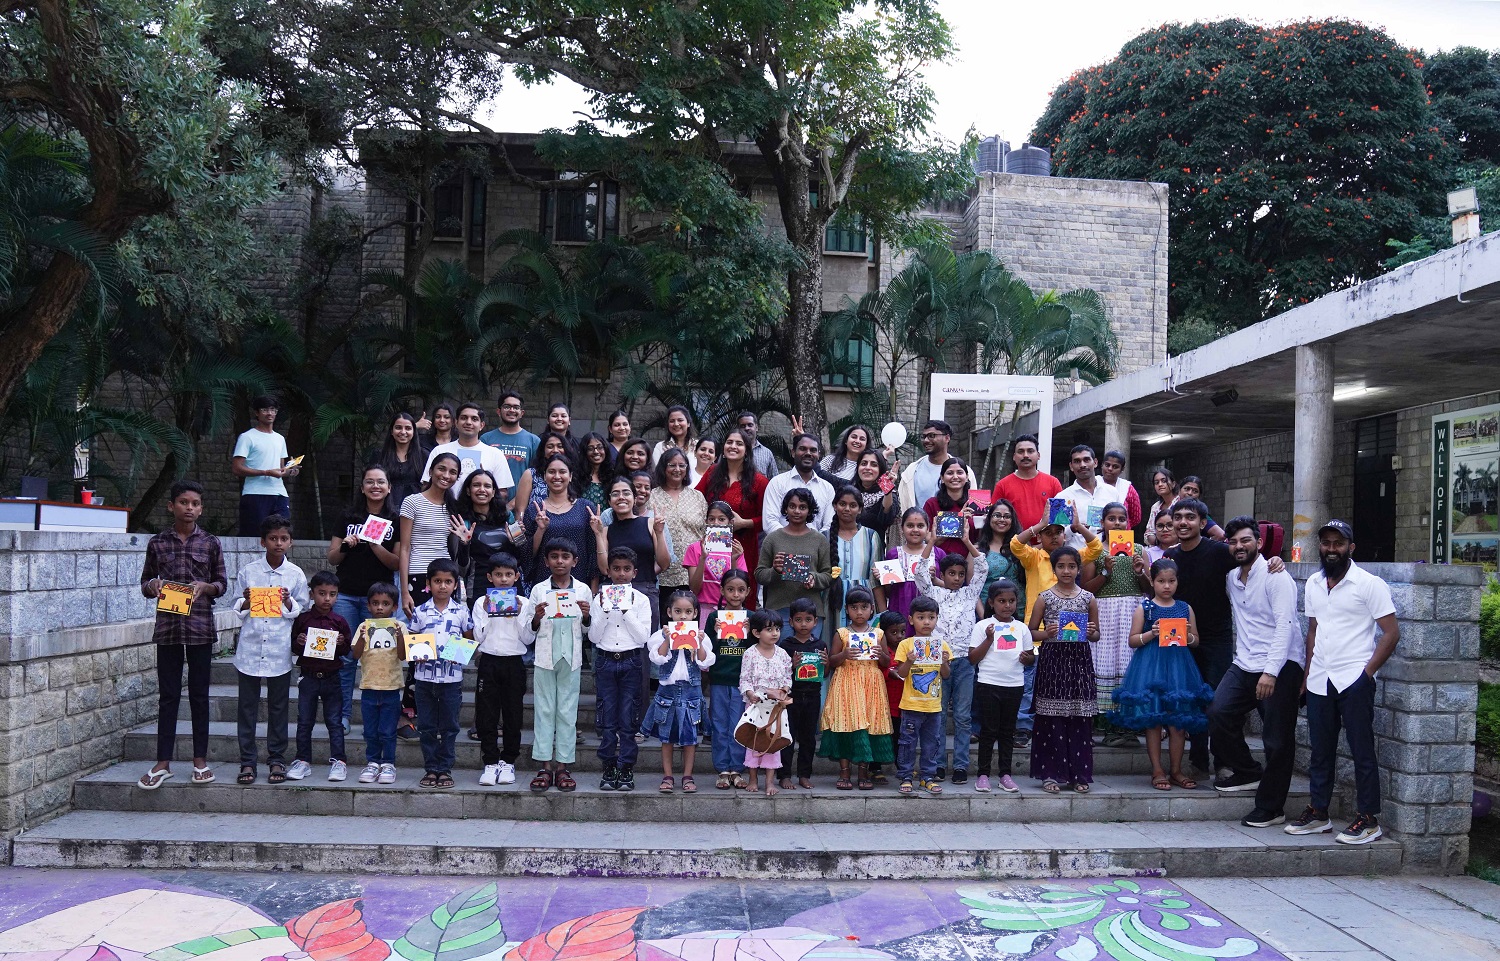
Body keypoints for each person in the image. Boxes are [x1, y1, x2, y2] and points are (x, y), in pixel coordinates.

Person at [1287, 520, 1399, 845]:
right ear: (1320, 547)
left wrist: (1366, 675)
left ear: (1351, 547)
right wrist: (1307, 676)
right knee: (1321, 751)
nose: (1331, 549)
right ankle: (1319, 812)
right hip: (1321, 678)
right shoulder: (1313, 583)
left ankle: (1368, 820)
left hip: (1354, 679)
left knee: (1362, 751)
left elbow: (1391, 634)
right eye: (1326, 543)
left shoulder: (1369, 584)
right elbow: (1313, 631)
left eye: (1338, 543)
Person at [1212, 516, 1306, 827]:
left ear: (1259, 543)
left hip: (1281, 666)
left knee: (1277, 740)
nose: (1239, 546)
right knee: (1218, 712)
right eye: (1234, 541)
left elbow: (1286, 626)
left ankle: (1272, 807)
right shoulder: (1231, 579)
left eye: (1245, 540)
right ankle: (1248, 771)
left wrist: (1271, 672)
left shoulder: (1277, 577)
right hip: (1245, 663)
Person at [136, 480, 226, 790]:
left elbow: (222, 584)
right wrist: (153, 587)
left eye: (195, 503)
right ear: (171, 506)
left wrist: (207, 588)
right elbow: (146, 581)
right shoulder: (158, 543)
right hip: (168, 628)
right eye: (184, 502)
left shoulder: (211, 543)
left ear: (201, 508)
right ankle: (163, 762)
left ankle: (200, 760)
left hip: (200, 627)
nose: (190, 508)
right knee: (168, 696)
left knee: (199, 696)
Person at [1165, 496, 1260, 776]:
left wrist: (1277, 559)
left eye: (1190, 517)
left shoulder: (1220, 552)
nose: (1183, 522)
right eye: (1178, 517)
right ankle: (1197, 761)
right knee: (1191, 698)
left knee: (1217, 701)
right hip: (1181, 638)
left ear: (1203, 523)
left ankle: (1223, 761)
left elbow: (1250, 559)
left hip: (1217, 639)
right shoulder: (1171, 557)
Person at [1108, 558, 1213, 791]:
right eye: (1161, 581)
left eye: (1171, 581)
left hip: (1179, 667)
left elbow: (1196, 642)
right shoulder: (1144, 607)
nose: (1167, 586)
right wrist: (1151, 633)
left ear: (1177, 582)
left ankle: (1176, 770)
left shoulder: (1185, 608)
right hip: (1150, 667)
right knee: (1153, 721)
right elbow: (1133, 640)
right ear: (1152, 581)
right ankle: (1157, 770)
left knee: (1178, 723)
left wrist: (1187, 634)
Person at [1011, 512, 1103, 750]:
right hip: (1041, 634)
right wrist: (1039, 523)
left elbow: (1095, 547)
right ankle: (1023, 726)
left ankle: (1075, 729)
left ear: (1064, 535)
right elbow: (1015, 544)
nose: (1053, 537)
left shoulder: (1074, 556)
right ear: (1040, 536)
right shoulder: (1034, 557)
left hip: (1072, 643)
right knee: (1031, 683)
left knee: (1069, 686)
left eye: (1057, 532)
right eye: (1047, 533)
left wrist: (1077, 526)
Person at [231, 514, 307, 786]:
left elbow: (301, 609)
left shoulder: (295, 574)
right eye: (273, 538)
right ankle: (247, 761)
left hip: (278, 651)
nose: (278, 543)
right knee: (247, 708)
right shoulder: (249, 572)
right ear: (263, 541)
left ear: (290, 542)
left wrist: (287, 603)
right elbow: (236, 608)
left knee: (278, 707)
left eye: (283, 539)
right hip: (250, 650)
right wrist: (247, 601)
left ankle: (277, 759)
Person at [328, 465, 401, 732]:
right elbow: (332, 557)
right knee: (347, 658)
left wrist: (374, 544)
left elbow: (395, 563)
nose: (375, 486)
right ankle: (344, 716)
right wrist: (346, 546)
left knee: (382, 655)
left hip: (380, 601)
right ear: (362, 487)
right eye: (369, 481)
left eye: (381, 481)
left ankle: (384, 717)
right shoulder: (348, 516)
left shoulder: (395, 518)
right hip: (347, 595)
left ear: (389, 487)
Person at [914, 523, 987, 783]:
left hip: (965, 662)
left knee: (964, 716)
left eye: (959, 574)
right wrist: (931, 541)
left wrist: (967, 541)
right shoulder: (933, 594)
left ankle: (960, 766)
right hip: (936, 662)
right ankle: (935, 765)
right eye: (951, 573)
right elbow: (920, 572)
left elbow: (982, 568)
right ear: (942, 574)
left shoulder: (970, 594)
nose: (956, 578)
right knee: (938, 715)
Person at [1026, 545, 1101, 794]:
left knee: (1079, 718)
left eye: (1071, 566)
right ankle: (1050, 774)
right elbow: (1030, 631)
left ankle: (1079, 775)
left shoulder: (1088, 598)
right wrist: (1045, 633)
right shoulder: (1044, 597)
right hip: (1053, 660)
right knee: (1051, 718)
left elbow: (1096, 634)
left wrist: (1091, 632)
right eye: (1061, 566)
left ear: (1078, 568)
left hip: (1079, 660)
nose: (1066, 570)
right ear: (1054, 568)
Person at [1080, 503, 1151, 745]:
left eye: (1122, 519)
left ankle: (1129, 725)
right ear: (1103, 523)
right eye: (1111, 518)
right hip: (1105, 614)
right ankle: (1108, 725)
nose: (1117, 523)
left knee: (1129, 664)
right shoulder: (1096, 550)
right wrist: (1106, 572)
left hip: (1132, 614)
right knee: (1105, 664)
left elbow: (1149, 589)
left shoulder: (1140, 549)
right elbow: (1086, 589)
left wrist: (1140, 572)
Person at [526, 539, 591, 792]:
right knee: (543, 710)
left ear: (575, 561)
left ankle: (563, 766)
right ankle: (544, 766)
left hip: (571, 657)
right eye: (554, 556)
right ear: (546, 561)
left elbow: (589, 630)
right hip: (544, 657)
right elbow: (528, 630)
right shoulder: (539, 591)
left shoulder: (583, 590)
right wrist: (536, 618)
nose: (560, 561)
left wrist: (586, 615)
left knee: (567, 711)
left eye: (566, 556)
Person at [588, 547, 653, 792]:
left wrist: (625, 610)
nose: (621, 574)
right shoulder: (598, 599)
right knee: (607, 715)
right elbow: (594, 637)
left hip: (631, 660)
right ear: (609, 571)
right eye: (616, 569)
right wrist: (606, 610)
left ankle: (626, 766)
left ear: (634, 573)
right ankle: (608, 766)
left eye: (626, 569)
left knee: (629, 716)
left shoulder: (642, 600)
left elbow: (643, 637)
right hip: (605, 660)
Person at [407, 558, 473, 790]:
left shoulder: (462, 611)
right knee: (426, 726)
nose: (442, 586)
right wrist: (416, 651)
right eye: (437, 581)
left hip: (451, 679)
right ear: (428, 583)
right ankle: (431, 768)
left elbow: (469, 639)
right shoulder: (420, 611)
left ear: (455, 585)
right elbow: (411, 643)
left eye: (448, 581)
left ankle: (444, 768)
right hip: (424, 679)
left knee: (450, 726)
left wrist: (461, 650)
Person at [819, 588, 894, 790]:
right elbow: (832, 662)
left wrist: (881, 654)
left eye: (864, 607)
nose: (859, 612)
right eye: (854, 608)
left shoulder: (878, 634)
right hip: (846, 684)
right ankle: (844, 772)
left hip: (871, 684)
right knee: (846, 723)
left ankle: (863, 771)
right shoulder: (841, 634)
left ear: (872, 610)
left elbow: (887, 662)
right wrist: (844, 654)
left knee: (868, 724)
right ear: (847, 610)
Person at [470, 552, 533, 787]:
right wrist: (487, 611)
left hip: (514, 662)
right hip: (489, 661)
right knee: (486, 715)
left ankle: (508, 761)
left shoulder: (524, 603)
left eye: (508, 575)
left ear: (516, 577)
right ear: (490, 577)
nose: (504, 579)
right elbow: (478, 636)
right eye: (498, 575)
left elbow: (527, 638)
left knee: (513, 714)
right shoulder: (480, 602)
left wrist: (516, 613)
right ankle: (490, 762)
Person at [644, 590, 714, 794]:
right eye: (678, 611)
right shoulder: (659, 635)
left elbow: (705, 662)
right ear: (669, 612)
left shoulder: (702, 636)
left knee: (690, 738)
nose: (682, 616)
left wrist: (699, 642)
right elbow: (657, 658)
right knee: (666, 738)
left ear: (695, 614)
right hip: (668, 692)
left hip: (691, 693)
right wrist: (667, 639)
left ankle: (687, 776)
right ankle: (667, 776)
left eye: (688, 611)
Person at [969, 580, 1034, 794]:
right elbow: (972, 659)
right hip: (988, 684)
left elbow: (1029, 658)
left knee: (1007, 732)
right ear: (991, 602)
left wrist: (1027, 659)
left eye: (1012, 601)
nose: (1007, 605)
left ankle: (1005, 774)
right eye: (1002, 601)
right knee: (988, 731)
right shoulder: (982, 626)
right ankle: (983, 775)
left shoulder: (1021, 628)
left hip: (1014, 686)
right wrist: (989, 638)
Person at [288, 571, 353, 782]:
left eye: (332, 594)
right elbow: (294, 647)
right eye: (322, 593)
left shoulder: (339, 621)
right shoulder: (303, 619)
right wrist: (299, 641)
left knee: (335, 722)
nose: (327, 599)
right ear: (312, 594)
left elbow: (345, 652)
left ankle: (339, 761)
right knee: (304, 721)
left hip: (332, 677)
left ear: (337, 596)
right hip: (308, 677)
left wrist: (342, 642)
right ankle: (303, 761)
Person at [696, 428, 768, 607]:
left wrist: (745, 523)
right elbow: (695, 501)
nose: (733, 446)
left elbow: (767, 518)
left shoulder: (759, 481)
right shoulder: (712, 473)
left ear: (747, 450)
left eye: (739, 443)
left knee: (740, 594)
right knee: (712, 594)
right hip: (712, 546)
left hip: (742, 547)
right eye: (729, 442)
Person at [893, 596, 952, 796]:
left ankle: (927, 777)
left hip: (934, 706)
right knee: (907, 743)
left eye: (931, 617)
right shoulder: (906, 644)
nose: (926, 622)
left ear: (937, 619)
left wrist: (944, 661)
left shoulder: (942, 645)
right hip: (911, 705)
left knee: (931, 743)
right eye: (921, 617)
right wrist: (909, 661)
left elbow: (946, 675)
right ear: (911, 620)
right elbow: (901, 673)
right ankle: (906, 776)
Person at [755, 488, 833, 638]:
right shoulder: (772, 539)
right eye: (792, 506)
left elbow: (828, 576)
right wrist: (775, 571)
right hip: (779, 611)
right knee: (781, 658)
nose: (797, 511)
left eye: (802, 507)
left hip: (811, 612)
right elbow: (759, 575)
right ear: (785, 508)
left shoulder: (819, 540)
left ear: (810, 511)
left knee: (807, 659)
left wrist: (813, 578)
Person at [593, 477, 669, 628]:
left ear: (634, 499)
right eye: (615, 494)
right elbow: (604, 569)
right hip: (615, 591)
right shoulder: (606, 531)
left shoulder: (650, 523)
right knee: (616, 639)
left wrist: (659, 533)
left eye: (626, 493)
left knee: (647, 643)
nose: (621, 497)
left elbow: (665, 563)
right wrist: (597, 534)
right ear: (609, 501)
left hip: (645, 589)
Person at [351, 583, 407, 784]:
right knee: (370, 730)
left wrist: (400, 638)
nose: (380, 608)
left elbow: (402, 656)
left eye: (385, 604)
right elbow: (355, 654)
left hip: (391, 687)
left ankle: (388, 763)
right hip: (368, 687)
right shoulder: (363, 627)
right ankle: (372, 762)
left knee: (387, 730)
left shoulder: (400, 627)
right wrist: (363, 637)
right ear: (368, 606)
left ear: (394, 607)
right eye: (375, 603)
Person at [705, 570, 753, 790]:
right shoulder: (714, 618)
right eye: (731, 589)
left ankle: (737, 768)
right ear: (722, 591)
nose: (735, 594)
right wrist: (714, 635)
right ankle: (722, 769)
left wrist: (752, 632)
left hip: (742, 681)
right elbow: (706, 652)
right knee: (719, 723)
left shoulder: (751, 618)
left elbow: (757, 649)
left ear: (748, 592)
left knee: (738, 723)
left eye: (741, 590)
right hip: (718, 679)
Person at [523, 455, 599, 589]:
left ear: (570, 476)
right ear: (544, 476)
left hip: (579, 585)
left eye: (562, 472)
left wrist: (593, 590)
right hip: (545, 585)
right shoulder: (534, 509)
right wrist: (540, 530)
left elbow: (593, 552)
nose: (557, 476)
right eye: (551, 472)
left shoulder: (586, 508)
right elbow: (528, 555)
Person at [399, 451, 460, 617]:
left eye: (453, 472)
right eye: (442, 469)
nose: (446, 475)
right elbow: (404, 548)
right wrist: (404, 592)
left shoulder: (454, 506)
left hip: (446, 576)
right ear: (431, 471)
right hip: (418, 574)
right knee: (419, 636)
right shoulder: (412, 502)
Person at [740, 607, 793, 796]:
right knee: (753, 742)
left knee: (773, 743)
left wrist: (784, 690)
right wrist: (750, 693)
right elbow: (745, 678)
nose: (775, 633)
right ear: (756, 632)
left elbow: (788, 677)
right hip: (755, 706)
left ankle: (770, 782)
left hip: (776, 708)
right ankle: (753, 779)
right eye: (769, 629)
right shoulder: (750, 654)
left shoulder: (782, 654)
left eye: (777, 629)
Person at [232, 394, 298, 536]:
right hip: (255, 493)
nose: (270, 413)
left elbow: (280, 470)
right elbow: (237, 468)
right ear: (256, 413)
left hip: (279, 494)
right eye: (265, 410)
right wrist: (266, 472)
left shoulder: (279, 439)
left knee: (282, 534)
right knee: (254, 536)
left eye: (273, 409)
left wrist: (290, 471)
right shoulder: (247, 437)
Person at [778, 597, 827, 790]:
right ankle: (784, 775)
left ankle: (804, 775)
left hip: (813, 696)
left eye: (808, 619)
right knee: (788, 737)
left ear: (815, 622)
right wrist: (791, 665)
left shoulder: (820, 644)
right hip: (792, 697)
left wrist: (826, 662)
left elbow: (826, 673)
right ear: (790, 622)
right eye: (798, 620)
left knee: (808, 738)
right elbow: (780, 674)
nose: (803, 624)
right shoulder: (786, 645)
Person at [650, 448, 707, 609]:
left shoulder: (697, 497)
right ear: (663, 468)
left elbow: (704, 532)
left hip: (693, 572)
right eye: (672, 465)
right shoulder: (652, 496)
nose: (677, 469)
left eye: (682, 466)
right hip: (663, 572)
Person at [452, 469, 520, 602]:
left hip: (509, 584)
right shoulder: (462, 521)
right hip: (478, 586)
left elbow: (521, 557)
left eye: (487, 486)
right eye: (476, 485)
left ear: (494, 492)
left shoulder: (508, 516)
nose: (482, 489)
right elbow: (461, 569)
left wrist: (515, 541)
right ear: (468, 490)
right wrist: (464, 545)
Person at [421, 402, 516, 495]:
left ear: (481, 425)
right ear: (456, 422)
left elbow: (502, 492)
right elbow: (426, 485)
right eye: (464, 418)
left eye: (474, 419)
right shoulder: (440, 451)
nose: (468, 422)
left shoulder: (495, 454)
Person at [827, 486, 884, 631]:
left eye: (853, 505)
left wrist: (883, 612)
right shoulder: (824, 537)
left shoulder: (871, 536)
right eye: (842, 504)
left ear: (860, 509)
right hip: (832, 600)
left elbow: (875, 578)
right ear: (835, 506)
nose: (847, 509)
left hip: (863, 602)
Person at [685, 501, 749, 626]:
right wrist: (703, 558)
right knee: (706, 644)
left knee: (728, 644)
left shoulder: (735, 548)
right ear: (706, 522)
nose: (716, 523)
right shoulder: (695, 548)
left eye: (721, 519)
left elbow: (739, 585)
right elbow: (694, 588)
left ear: (730, 523)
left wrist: (734, 559)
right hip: (704, 608)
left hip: (730, 609)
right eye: (711, 519)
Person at [762, 433, 835, 535]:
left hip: (814, 548)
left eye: (813, 450)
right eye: (803, 449)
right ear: (793, 452)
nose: (808, 453)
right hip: (781, 548)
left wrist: (813, 543)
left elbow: (829, 525)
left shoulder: (827, 488)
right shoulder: (777, 483)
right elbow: (770, 521)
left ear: (818, 455)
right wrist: (791, 542)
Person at [899, 420, 976, 512]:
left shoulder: (965, 472)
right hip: (921, 525)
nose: (926, 440)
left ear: (947, 438)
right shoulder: (911, 472)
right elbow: (902, 507)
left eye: (932, 436)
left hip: (957, 525)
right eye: (924, 437)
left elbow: (974, 510)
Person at [883, 509, 943, 628]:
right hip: (901, 610)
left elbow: (947, 587)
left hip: (930, 613)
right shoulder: (893, 554)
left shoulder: (938, 553)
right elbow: (888, 592)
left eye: (920, 526)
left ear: (928, 529)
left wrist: (934, 579)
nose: (915, 530)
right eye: (910, 525)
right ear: (902, 528)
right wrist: (885, 577)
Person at [480, 390, 540, 502]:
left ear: (522, 413)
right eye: (507, 406)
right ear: (499, 411)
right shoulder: (485, 439)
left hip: (522, 505)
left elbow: (537, 478)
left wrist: (514, 503)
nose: (512, 410)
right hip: (490, 504)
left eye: (516, 407)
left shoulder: (534, 441)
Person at [992, 434, 1062, 530]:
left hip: (1046, 543)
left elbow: (1060, 518)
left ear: (1038, 455)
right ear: (1014, 457)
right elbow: (994, 518)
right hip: (1013, 543)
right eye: (1021, 451)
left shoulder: (1053, 483)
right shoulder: (1002, 485)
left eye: (1030, 451)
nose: (1025, 455)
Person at [1058, 445, 1117, 548]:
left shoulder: (1112, 492)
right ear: (1071, 466)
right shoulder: (1063, 498)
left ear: (1095, 462)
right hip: (1077, 559)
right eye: (1077, 461)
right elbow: (1055, 535)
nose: (1082, 465)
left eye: (1086, 460)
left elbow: (1122, 525)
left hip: (1108, 558)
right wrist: (1073, 528)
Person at [976, 499, 1025, 617]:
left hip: (1018, 613)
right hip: (987, 613)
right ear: (989, 519)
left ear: (1012, 521)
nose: (1002, 519)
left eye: (1007, 516)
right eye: (997, 515)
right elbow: (973, 589)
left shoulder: (1022, 548)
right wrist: (984, 618)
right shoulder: (977, 550)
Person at [921, 456, 977, 559]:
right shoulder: (932, 503)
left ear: (967, 477)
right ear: (942, 478)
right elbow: (928, 539)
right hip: (939, 560)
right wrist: (958, 520)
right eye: (950, 473)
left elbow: (982, 538)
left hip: (970, 562)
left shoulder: (976, 503)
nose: (955, 477)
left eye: (960, 472)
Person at [372, 412, 427, 507]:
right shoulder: (379, 455)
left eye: (408, 428)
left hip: (416, 509)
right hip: (385, 508)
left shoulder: (424, 455)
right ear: (391, 431)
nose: (403, 432)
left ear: (414, 432)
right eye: (398, 428)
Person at [514, 431, 575, 512]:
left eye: (560, 446)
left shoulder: (573, 474)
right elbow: (520, 510)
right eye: (550, 447)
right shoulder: (531, 474)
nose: (555, 450)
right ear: (543, 450)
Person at [850, 449, 900, 537]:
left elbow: (886, 519)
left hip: (874, 547)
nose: (868, 468)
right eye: (864, 463)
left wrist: (887, 488)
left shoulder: (889, 493)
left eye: (874, 465)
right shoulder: (849, 490)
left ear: (880, 469)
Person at [1099, 450, 1142, 529]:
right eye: (1107, 465)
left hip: (1120, 536)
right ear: (1102, 465)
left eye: (1115, 467)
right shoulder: (1093, 484)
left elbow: (1136, 518)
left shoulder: (1128, 489)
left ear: (1122, 469)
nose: (1110, 469)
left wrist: (1119, 525)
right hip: (1094, 534)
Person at [576, 431, 617, 508]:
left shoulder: (613, 474)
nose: (596, 452)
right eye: (590, 449)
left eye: (600, 447)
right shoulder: (577, 476)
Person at [736, 411, 778, 477]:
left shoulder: (767, 453)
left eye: (750, 425)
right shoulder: (731, 451)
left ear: (756, 427)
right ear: (738, 429)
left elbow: (774, 480)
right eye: (743, 426)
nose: (746, 428)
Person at [1144, 468, 1178, 546]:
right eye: (1156, 482)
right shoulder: (1155, 507)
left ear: (1173, 484)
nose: (1160, 484)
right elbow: (1149, 533)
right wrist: (1161, 543)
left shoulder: (1181, 503)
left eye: (1164, 481)